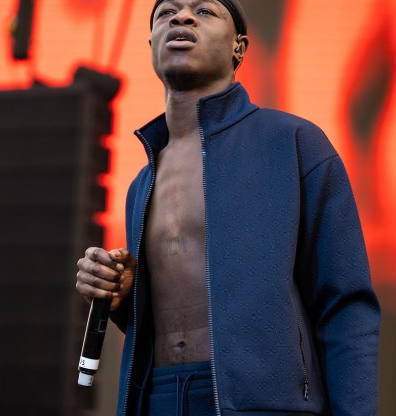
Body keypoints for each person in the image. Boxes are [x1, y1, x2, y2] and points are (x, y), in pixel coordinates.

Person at [75, 0, 380, 414]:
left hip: (267, 404)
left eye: (203, 11)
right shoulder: (140, 185)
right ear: (150, 43)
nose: (181, 18)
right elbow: (175, 318)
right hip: (159, 398)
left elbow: (345, 305)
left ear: (240, 46)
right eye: (166, 13)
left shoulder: (294, 144)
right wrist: (128, 299)